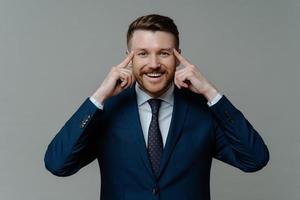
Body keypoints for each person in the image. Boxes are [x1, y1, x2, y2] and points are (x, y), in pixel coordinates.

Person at [44, 14, 269, 200]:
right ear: (129, 59)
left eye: (164, 53)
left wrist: (211, 92)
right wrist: (99, 96)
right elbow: (58, 164)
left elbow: (255, 159)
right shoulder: (105, 111)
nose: (153, 64)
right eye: (142, 53)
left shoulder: (203, 111)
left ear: (178, 57)